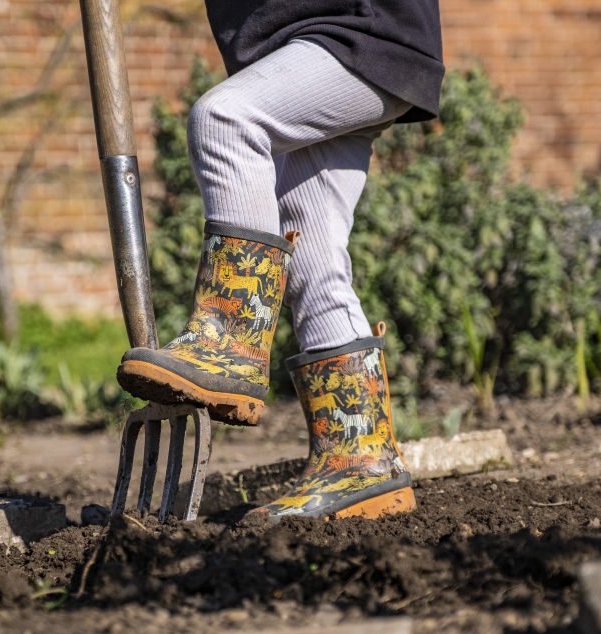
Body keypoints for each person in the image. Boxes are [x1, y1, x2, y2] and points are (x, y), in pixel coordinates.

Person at [117, 1, 444, 522]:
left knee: (226, 119)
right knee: (313, 244)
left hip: (358, 30)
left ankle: (230, 344)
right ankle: (359, 463)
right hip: (319, 40)